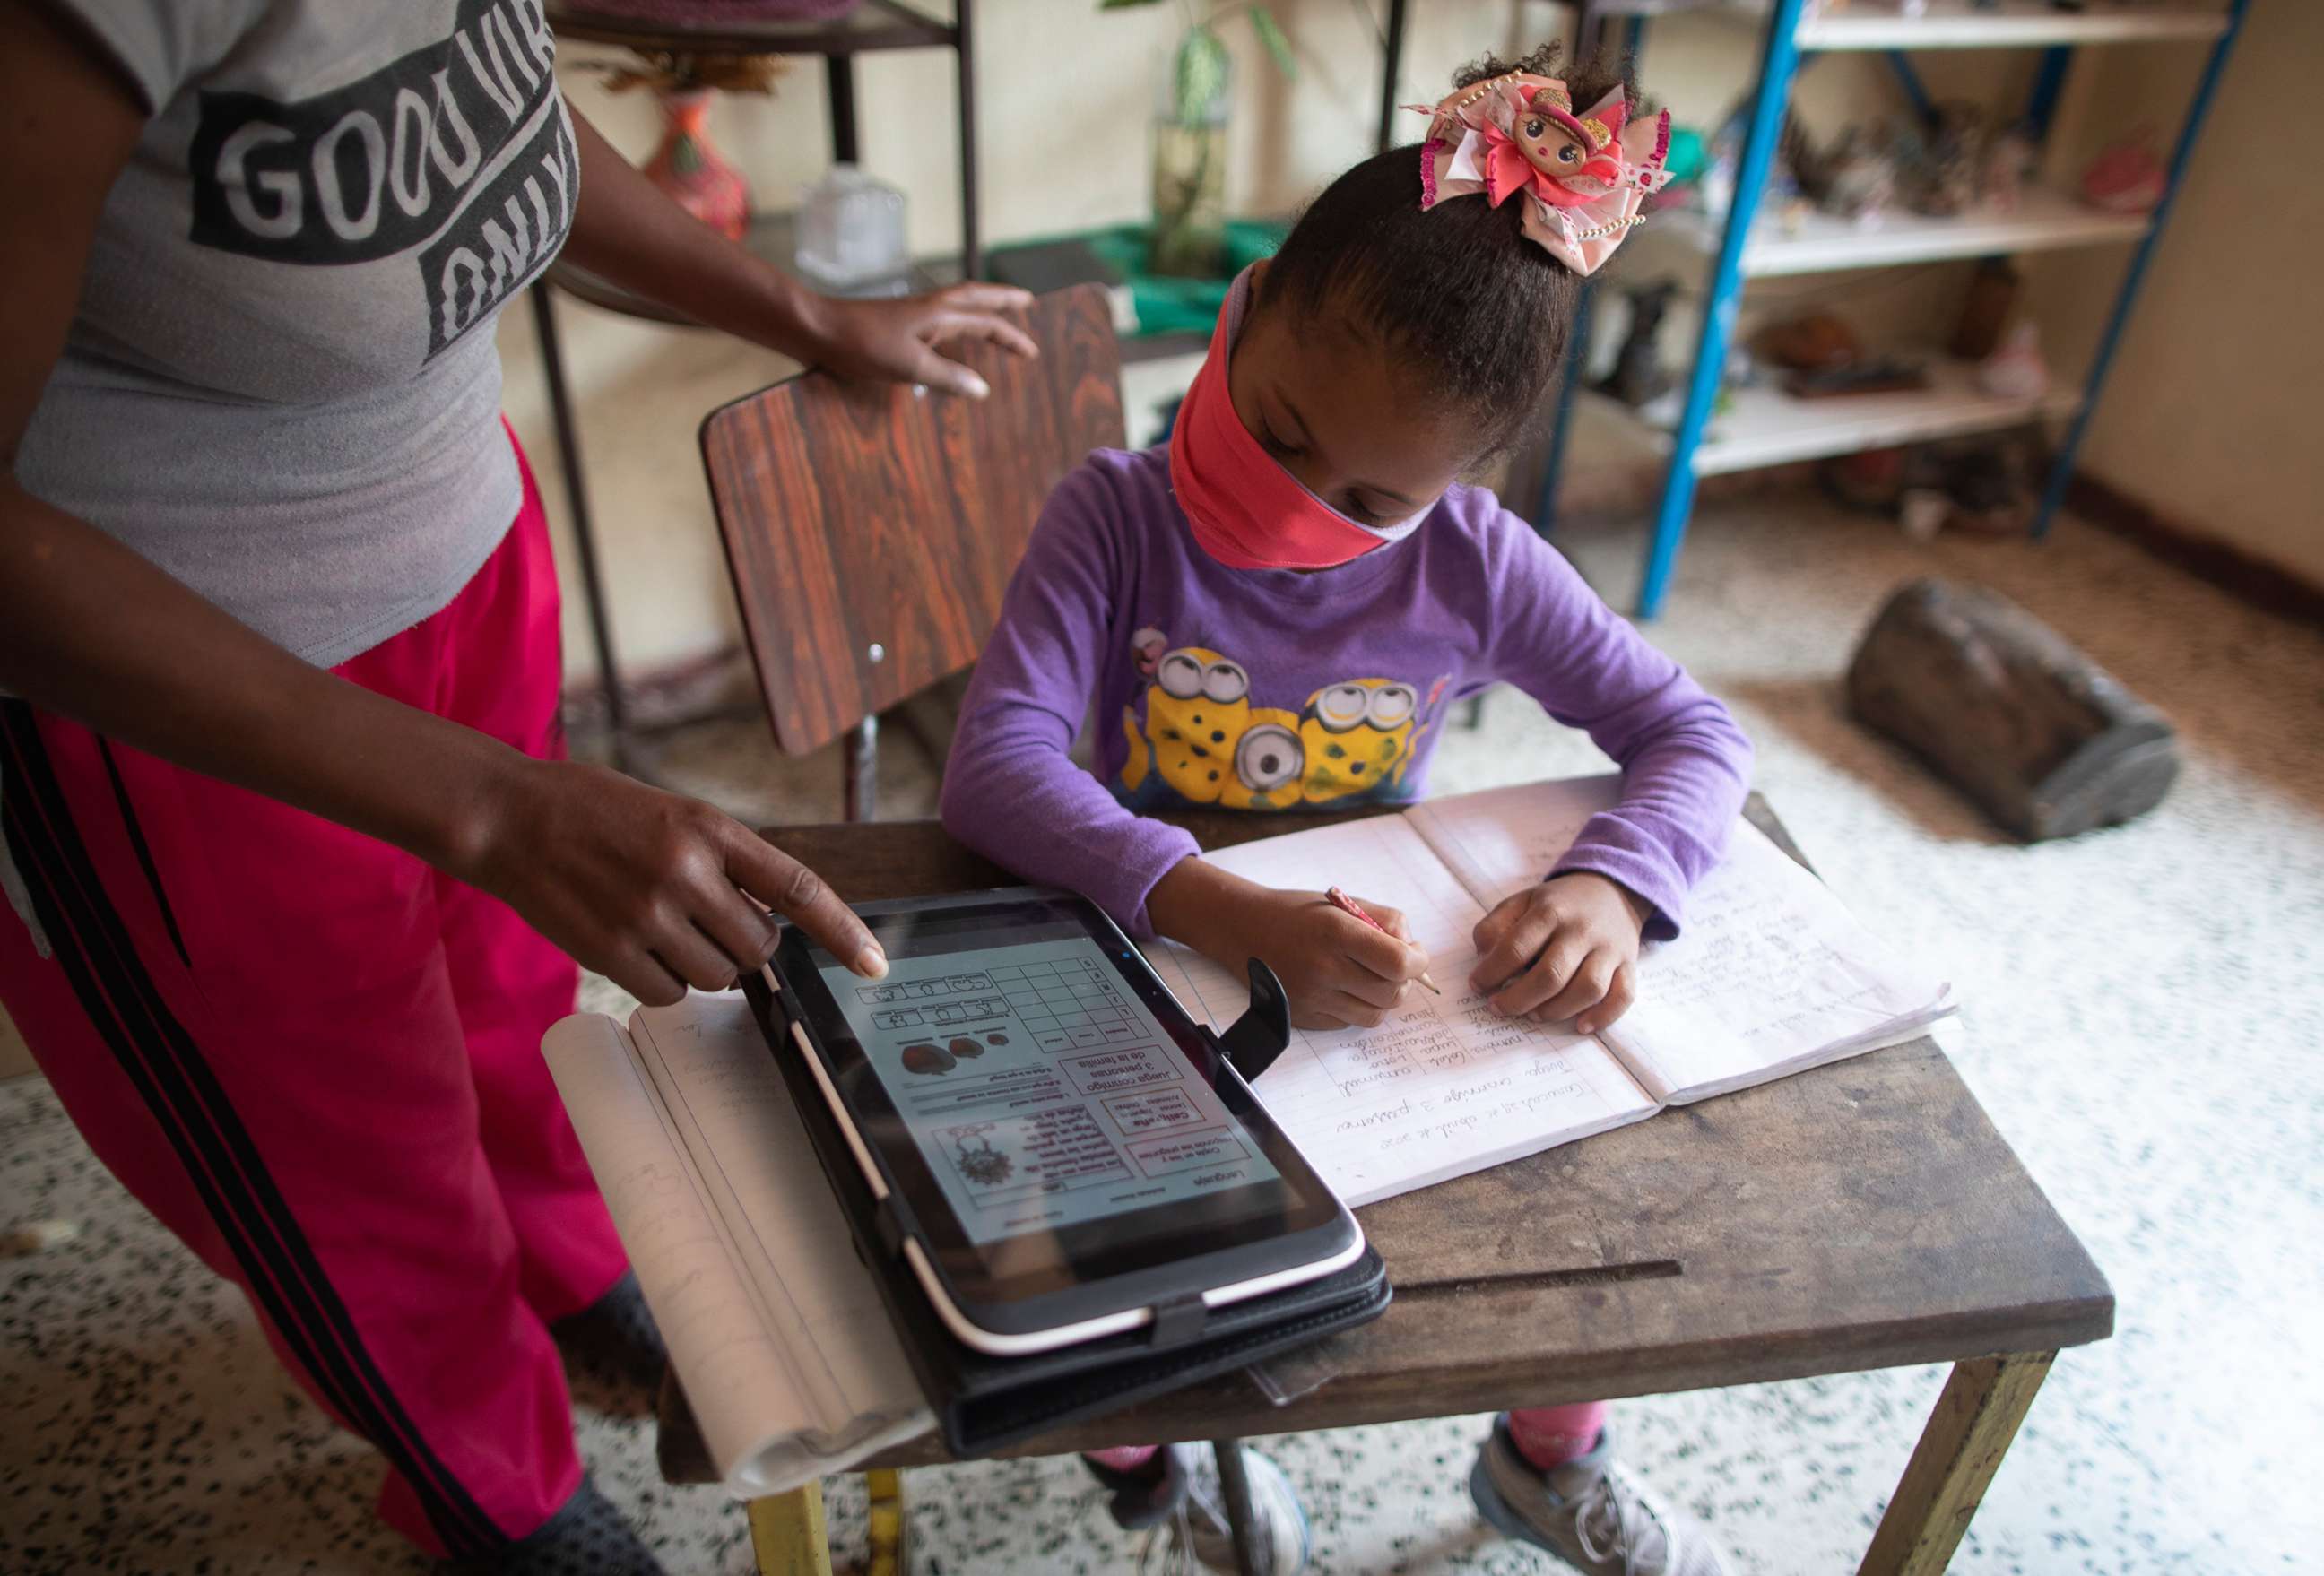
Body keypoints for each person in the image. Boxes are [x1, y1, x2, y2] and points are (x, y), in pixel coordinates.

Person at [0, 2, 1034, 1570]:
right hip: (202, 708)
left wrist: (802, 313)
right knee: (351, 1152)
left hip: (467, 558)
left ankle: (570, 1275)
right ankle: (500, 1497)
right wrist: (488, 805)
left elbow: (495, 134)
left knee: (502, 1003)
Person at [940, 45, 1746, 1576]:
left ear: (1455, 489)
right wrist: (1215, 904)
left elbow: (1691, 731)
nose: (1300, 499)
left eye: (1371, 501)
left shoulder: (1476, 565)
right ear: (1243, 312)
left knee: (1577, 1190)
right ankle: (1149, 1465)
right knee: (1070, 1225)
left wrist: (1613, 888)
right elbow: (992, 767)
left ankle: (1547, 1454)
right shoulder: (1110, 515)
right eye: (1282, 427)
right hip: (1142, 946)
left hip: (1371, 998)